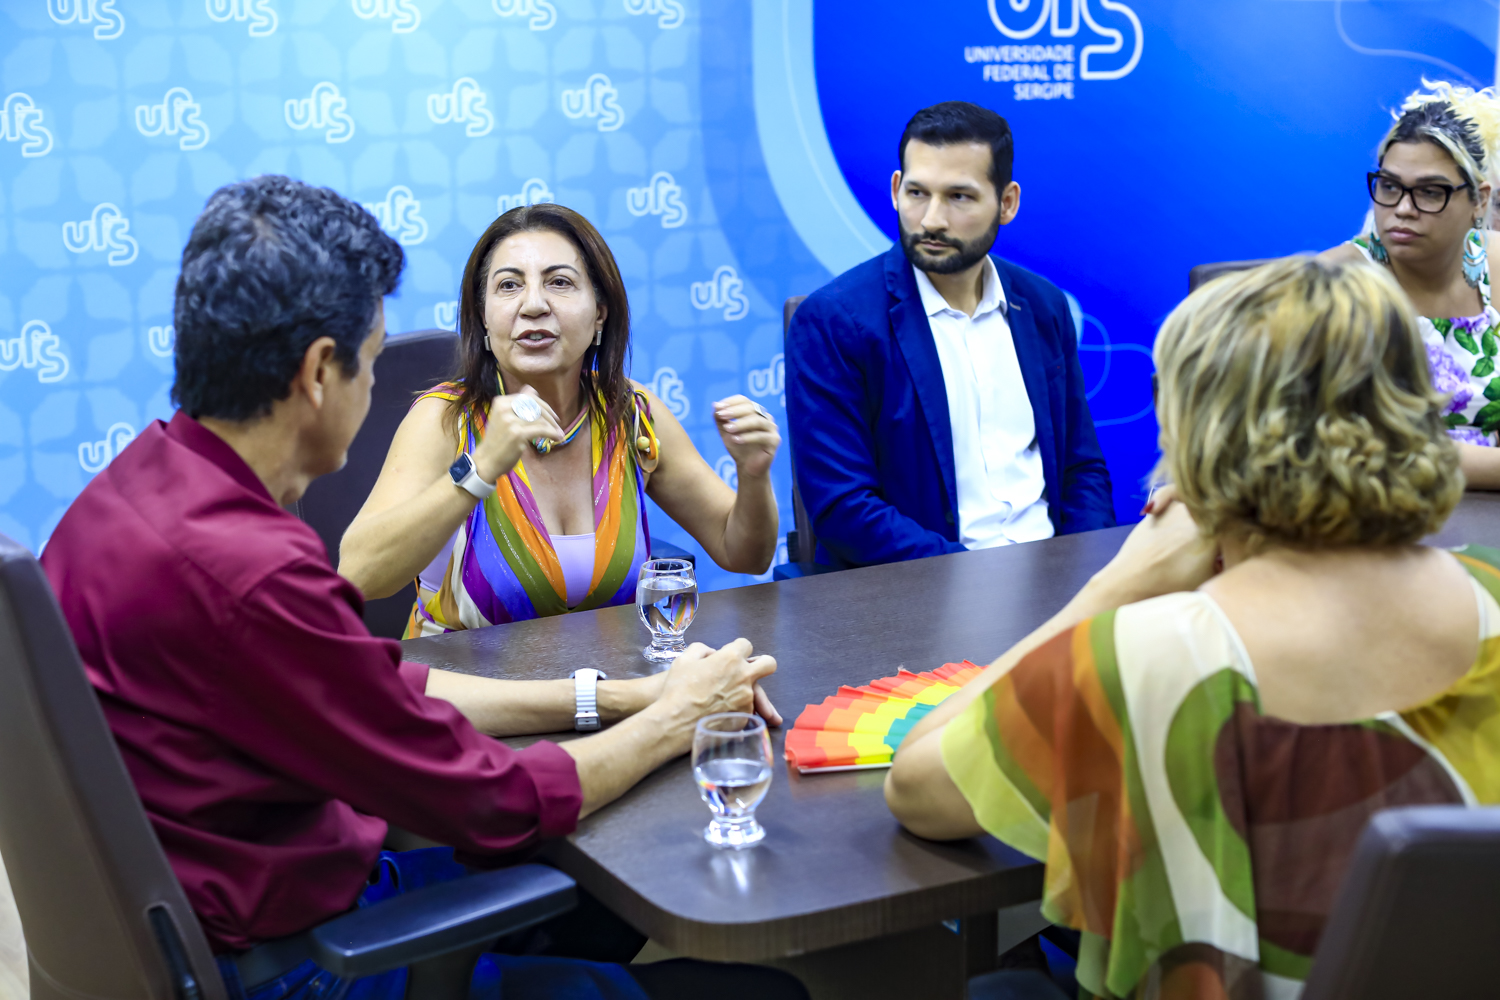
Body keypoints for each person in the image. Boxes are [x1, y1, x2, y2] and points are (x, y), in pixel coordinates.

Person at [40, 175, 805, 1000]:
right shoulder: (256, 574)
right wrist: (676, 717)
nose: (375, 392)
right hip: (311, 960)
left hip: (231, 905)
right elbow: (497, 801)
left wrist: (620, 698)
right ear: (318, 373)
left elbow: (368, 677)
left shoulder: (127, 494)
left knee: (600, 891)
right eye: (371, 364)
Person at [885, 257, 1500, 999]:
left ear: (1201, 431)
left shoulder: (1148, 656)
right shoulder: (1488, 592)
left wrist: (1116, 587)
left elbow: (916, 786)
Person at [338, 204, 780, 636]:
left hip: (611, 694)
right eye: (509, 286)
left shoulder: (630, 412)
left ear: (600, 313)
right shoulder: (445, 418)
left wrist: (753, 474)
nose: (533, 305)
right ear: (484, 320)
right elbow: (358, 574)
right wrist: (480, 469)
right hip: (467, 697)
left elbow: (742, 552)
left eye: (560, 283)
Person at [783, 101, 1114, 570]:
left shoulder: (1043, 306)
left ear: (1007, 203)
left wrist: (1083, 570)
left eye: (959, 197)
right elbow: (844, 508)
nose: (932, 219)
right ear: (896, 189)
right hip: (925, 593)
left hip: (1052, 581)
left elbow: (1082, 470)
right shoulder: (835, 321)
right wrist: (975, 579)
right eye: (917, 193)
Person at [1322, 79, 1500, 488]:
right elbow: (1367, 448)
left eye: (1430, 192)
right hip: (1374, 509)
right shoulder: (1337, 279)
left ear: (1480, 200)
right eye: (1389, 186)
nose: (1402, 209)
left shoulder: (1494, 263)